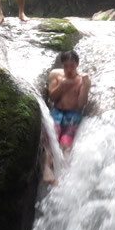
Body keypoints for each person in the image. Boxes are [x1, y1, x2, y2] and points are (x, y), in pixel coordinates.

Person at [43, 50, 91, 183]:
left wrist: (86, 87)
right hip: (57, 112)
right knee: (52, 136)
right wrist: (62, 86)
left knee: (65, 143)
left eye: (72, 66)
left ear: (77, 64)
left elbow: (82, 103)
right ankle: (47, 168)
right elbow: (52, 97)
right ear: (62, 65)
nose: (69, 69)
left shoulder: (82, 80)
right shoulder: (56, 75)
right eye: (66, 66)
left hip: (73, 114)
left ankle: (61, 175)